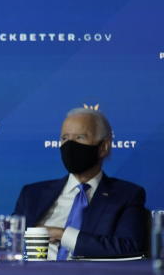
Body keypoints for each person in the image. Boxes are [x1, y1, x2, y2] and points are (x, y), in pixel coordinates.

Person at [13, 107, 147, 259]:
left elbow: (129, 247)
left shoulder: (126, 195)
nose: (70, 146)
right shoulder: (32, 194)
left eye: (80, 137)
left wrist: (63, 235)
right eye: (65, 138)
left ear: (103, 147)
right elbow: (7, 245)